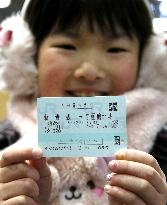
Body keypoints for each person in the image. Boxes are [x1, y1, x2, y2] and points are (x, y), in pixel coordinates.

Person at [0, 0, 167, 204]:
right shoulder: (4, 144)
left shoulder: (163, 146)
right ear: (27, 57)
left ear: (146, 62)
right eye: (66, 46)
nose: (89, 72)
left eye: (115, 49)